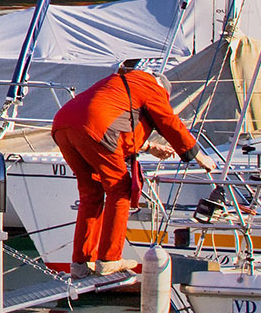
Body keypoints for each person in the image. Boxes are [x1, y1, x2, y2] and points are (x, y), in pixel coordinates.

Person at [51, 60, 216, 277]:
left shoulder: (121, 84)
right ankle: (109, 259)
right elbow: (170, 123)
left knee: (91, 192)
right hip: (94, 127)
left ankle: (81, 264)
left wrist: (148, 147)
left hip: (62, 125)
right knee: (119, 189)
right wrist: (198, 155)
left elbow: (116, 125)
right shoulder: (152, 87)